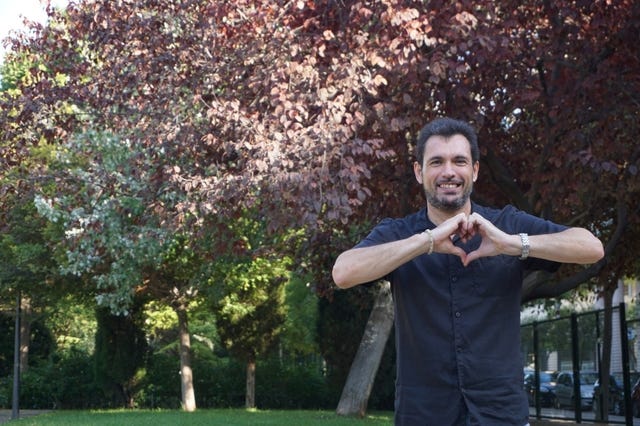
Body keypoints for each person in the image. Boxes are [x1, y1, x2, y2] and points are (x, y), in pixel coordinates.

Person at [332, 117, 604, 426]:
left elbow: (591, 247)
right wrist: (425, 242)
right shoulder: (399, 233)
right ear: (419, 172)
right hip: (422, 416)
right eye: (436, 162)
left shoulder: (506, 224)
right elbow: (344, 272)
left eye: (459, 161)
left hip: (501, 416)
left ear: (474, 170)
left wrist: (511, 244)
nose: (448, 172)